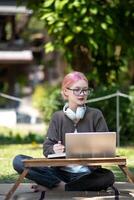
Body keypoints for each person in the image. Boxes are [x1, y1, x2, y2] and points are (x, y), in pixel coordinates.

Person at [13, 71, 115, 193]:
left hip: (86, 175)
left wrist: (95, 152)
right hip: (58, 174)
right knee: (18, 161)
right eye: (77, 90)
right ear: (66, 91)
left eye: (85, 90)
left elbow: (105, 148)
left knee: (108, 176)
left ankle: (60, 188)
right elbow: (47, 148)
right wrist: (54, 149)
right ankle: (61, 185)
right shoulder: (57, 117)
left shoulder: (95, 115)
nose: (82, 94)